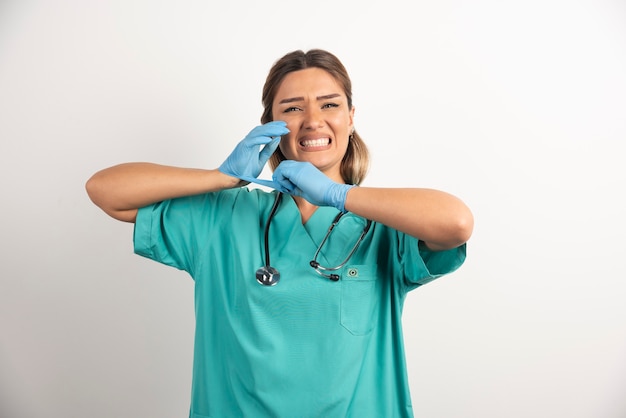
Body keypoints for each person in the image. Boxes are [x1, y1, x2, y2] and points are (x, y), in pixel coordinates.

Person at [86, 48, 474, 418]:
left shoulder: (385, 226)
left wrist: (340, 195)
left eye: (329, 104)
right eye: (292, 108)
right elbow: (104, 190)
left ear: (351, 117)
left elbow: (457, 223)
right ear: (269, 127)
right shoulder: (224, 218)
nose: (312, 120)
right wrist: (220, 177)